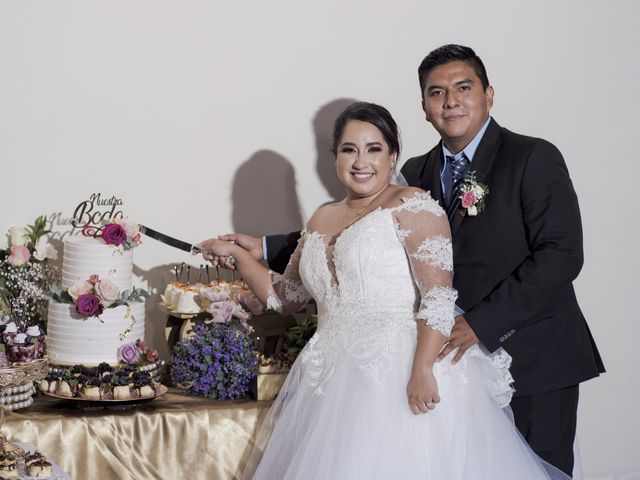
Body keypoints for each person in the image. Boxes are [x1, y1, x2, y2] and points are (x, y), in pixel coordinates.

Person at [216, 45, 605, 477]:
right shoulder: (414, 173)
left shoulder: (532, 157)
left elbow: (562, 255)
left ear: (488, 95)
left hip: (532, 353)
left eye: (463, 88)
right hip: (441, 352)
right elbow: (357, 233)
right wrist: (265, 247)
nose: (450, 101)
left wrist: (481, 324)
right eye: (436, 93)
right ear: (424, 107)